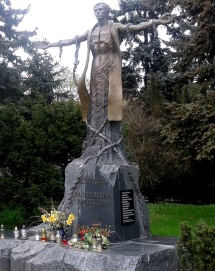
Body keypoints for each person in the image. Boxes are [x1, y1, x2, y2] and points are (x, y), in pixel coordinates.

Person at [37, 2, 172, 164]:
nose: (97, 12)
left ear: (107, 12)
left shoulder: (115, 27)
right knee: (95, 101)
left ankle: (108, 141)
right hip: (95, 69)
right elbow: (73, 40)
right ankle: (95, 139)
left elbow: (135, 27)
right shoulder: (91, 31)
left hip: (110, 67)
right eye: (95, 10)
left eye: (100, 9)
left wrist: (156, 21)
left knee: (109, 100)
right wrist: (51, 44)